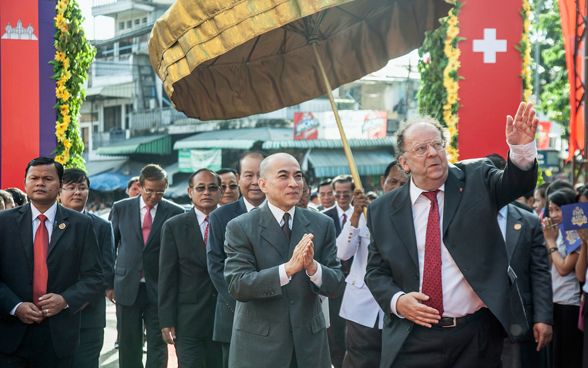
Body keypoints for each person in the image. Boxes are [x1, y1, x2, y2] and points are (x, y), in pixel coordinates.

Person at [365, 102, 539, 368]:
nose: (433, 153)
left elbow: (517, 184)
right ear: (404, 163)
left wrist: (521, 150)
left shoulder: (477, 179)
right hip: (412, 337)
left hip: (474, 336)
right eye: (421, 149)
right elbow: (376, 271)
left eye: (437, 145)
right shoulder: (382, 210)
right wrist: (397, 301)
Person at [224, 153, 345, 368]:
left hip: (309, 345)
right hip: (260, 345)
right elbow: (238, 284)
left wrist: (313, 268)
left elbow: (336, 284)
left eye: (298, 176)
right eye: (283, 176)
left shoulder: (322, 224)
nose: (294, 184)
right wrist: (287, 270)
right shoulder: (241, 227)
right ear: (263, 184)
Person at [0, 156, 102, 367]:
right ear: (25, 183)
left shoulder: (80, 225)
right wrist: (16, 306)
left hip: (60, 334)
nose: (39, 183)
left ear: (60, 185)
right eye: (34, 178)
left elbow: (94, 277)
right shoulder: (4, 223)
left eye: (47, 178)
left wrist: (65, 300)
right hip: (12, 333)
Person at [110, 164, 184, 368]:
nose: (154, 196)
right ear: (140, 186)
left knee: (158, 343)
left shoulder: (175, 212)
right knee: (128, 342)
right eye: (149, 190)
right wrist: (109, 284)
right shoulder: (121, 208)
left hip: (160, 287)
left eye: (160, 191)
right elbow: (111, 247)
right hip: (126, 285)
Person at [159, 169, 223, 368]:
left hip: (224, 317)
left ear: (220, 192)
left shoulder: (232, 223)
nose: (207, 193)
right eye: (200, 188)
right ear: (190, 191)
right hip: (188, 319)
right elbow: (167, 276)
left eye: (212, 188)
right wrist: (166, 320)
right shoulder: (174, 226)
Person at [207, 152, 265, 368]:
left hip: (277, 319)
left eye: (260, 175)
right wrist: (243, 300)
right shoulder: (220, 216)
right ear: (239, 178)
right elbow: (215, 266)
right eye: (248, 175)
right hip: (234, 313)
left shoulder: (285, 212)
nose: (254, 182)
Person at [59, 168, 115, 368]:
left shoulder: (101, 226)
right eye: (71, 187)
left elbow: (107, 270)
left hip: (89, 317)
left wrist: (77, 298)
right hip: (53, 316)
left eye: (82, 187)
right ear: (59, 191)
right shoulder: (48, 224)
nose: (77, 192)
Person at [542, 188, 583, 368]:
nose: (554, 214)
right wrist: (550, 240)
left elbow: (564, 268)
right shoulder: (556, 232)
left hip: (569, 303)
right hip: (554, 301)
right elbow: (550, 264)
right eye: (551, 210)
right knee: (554, 357)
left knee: (567, 357)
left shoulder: (576, 233)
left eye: (558, 209)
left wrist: (551, 243)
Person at [322, 174, 356, 368]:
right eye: (338, 194)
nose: (342, 197)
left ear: (352, 193)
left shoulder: (363, 214)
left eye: (346, 194)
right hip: (334, 282)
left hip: (356, 281)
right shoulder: (324, 217)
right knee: (335, 329)